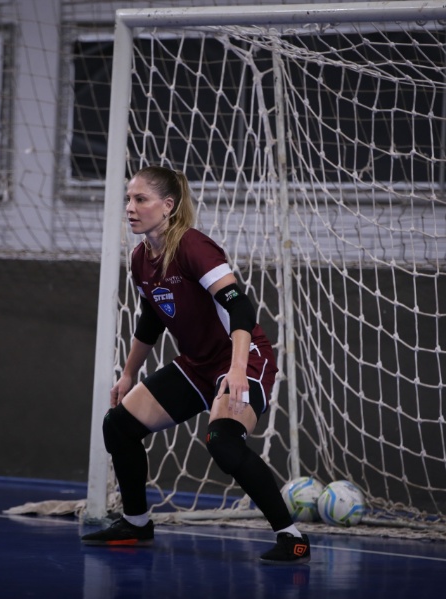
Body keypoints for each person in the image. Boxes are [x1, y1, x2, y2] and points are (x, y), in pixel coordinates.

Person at [80, 165, 310, 564]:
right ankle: (136, 523)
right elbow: (152, 317)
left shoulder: (193, 246)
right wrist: (129, 372)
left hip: (241, 356)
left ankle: (292, 538)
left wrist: (237, 369)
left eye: (141, 199)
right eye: (128, 199)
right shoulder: (140, 258)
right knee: (118, 425)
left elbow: (239, 304)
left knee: (222, 440)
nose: (130, 208)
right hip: (195, 365)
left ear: (167, 206)